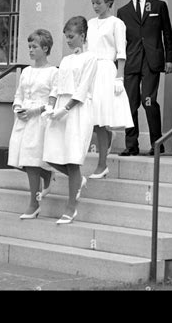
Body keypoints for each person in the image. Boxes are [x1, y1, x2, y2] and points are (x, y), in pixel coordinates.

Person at [43, 16, 98, 224]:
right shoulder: (65, 60)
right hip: (60, 110)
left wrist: (65, 109)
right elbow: (57, 86)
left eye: (72, 36)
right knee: (51, 155)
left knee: (72, 160)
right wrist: (51, 105)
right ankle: (78, 181)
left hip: (77, 110)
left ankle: (71, 208)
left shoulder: (90, 58)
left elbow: (83, 89)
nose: (68, 40)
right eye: (66, 37)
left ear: (82, 36)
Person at [117, 0, 172, 156]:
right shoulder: (123, 12)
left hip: (152, 61)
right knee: (130, 103)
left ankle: (157, 144)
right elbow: (119, 40)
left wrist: (170, 59)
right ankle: (131, 145)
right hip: (131, 61)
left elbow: (167, 34)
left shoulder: (158, 6)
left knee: (149, 101)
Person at [7, 29, 58, 219]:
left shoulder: (53, 73)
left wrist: (35, 111)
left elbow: (53, 100)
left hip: (39, 120)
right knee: (20, 159)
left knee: (31, 159)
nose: (30, 50)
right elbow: (18, 95)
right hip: (23, 119)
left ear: (45, 49)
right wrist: (18, 108)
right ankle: (47, 176)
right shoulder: (26, 72)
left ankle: (34, 203)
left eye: (34, 46)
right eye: (29, 46)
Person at [87, 0, 134, 178]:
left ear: (108, 2)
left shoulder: (117, 23)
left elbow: (121, 52)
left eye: (99, 2)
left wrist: (120, 77)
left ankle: (102, 164)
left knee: (101, 118)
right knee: (92, 119)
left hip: (107, 69)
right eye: (93, 3)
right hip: (91, 70)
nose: (96, 6)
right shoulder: (90, 23)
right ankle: (107, 138)